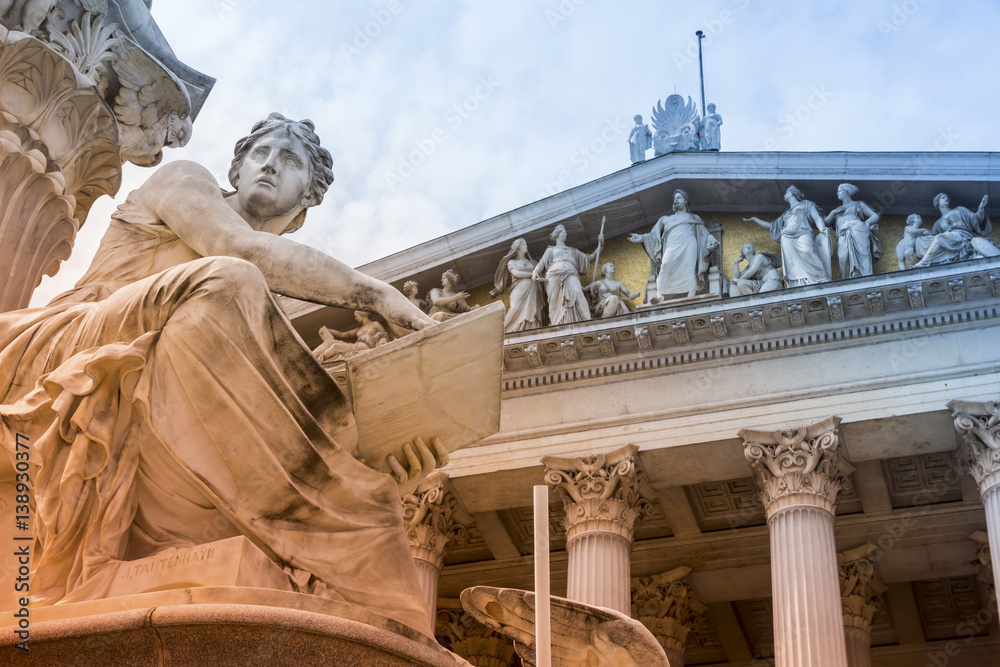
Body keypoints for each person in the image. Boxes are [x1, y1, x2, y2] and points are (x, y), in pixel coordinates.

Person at [0, 113, 442, 635]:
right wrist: (379, 294)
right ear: (236, 166)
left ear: (307, 202)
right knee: (231, 279)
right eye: (261, 153)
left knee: (373, 504)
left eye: (290, 160)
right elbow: (239, 251)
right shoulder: (184, 183)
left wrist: (385, 466)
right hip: (60, 346)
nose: (271, 164)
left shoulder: (248, 323)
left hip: (160, 383)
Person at [628, 189, 713, 302]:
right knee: (665, 267)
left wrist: (711, 240)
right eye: (675, 199)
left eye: (679, 198)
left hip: (689, 243)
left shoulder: (693, 218)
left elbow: (704, 232)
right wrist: (642, 238)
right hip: (671, 246)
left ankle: (691, 292)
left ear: (685, 201)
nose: (676, 200)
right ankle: (660, 295)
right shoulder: (665, 219)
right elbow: (653, 235)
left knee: (690, 267)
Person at [745, 185, 832, 287]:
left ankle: (821, 277)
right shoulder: (785, 214)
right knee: (793, 264)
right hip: (787, 239)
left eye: (786, 192)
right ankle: (797, 284)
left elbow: (817, 218)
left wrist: (822, 230)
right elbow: (771, 226)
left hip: (803, 233)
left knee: (807, 251)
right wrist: (756, 219)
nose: (784, 195)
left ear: (792, 193)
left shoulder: (806, 205)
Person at [532, 223, 603, 326]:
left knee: (578, 293)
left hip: (571, 275)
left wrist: (600, 245)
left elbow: (590, 257)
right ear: (557, 234)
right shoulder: (550, 250)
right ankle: (557, 323)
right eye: (564, 232)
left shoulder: (573, 251)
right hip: (554, 278)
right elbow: (542, 263)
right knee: (556, 303)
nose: (566, 235)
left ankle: (586, 321)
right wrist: (535, 271)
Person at [913, 193, 996, 267]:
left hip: (962, 235)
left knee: (940, 237)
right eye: (943, 197)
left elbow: (977, 220)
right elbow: (933, 239)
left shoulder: (960, 210)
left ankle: (924, 262)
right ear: (937, 202)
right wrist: (923, 234)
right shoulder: (938, 223)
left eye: (947, 198)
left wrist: (981, 208)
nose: (946, 199)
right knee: (923, 239)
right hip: (950, 241)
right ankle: (926, 261)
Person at [824, 183, 881, 278]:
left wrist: (867, 223)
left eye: (839, 191)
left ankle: (864, 276)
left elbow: (875, 215)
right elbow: (826, 222)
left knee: (862, 256)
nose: (837, 193)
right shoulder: (837, 210)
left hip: (858, 232)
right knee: (843, 257)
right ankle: (846, 279)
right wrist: (833, 212)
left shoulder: (858, 204)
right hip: (843, 235)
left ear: (846, 192)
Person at [490, 238, 545, 332]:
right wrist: (532, 274)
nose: (526, 246)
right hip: (519, 289)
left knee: (533, 311)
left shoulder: (532, 262)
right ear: (518, 248)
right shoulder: (511, 262)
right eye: (524, 244)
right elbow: (516, 274)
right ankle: (502, 331)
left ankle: (532, 329)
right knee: (515, 308)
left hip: (533, 289)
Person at [313, 311, 390, 362]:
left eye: (356, 316)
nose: (355, 318)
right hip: (355, 346)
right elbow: (341, 334)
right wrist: (327, 329)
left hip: (364, 348)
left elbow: (384, 334)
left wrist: (382, 344)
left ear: (362, 314)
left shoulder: (374, 323)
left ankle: (319, 362)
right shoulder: (358, 329)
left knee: (335, 347)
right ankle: (312, 357)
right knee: (329, 342)